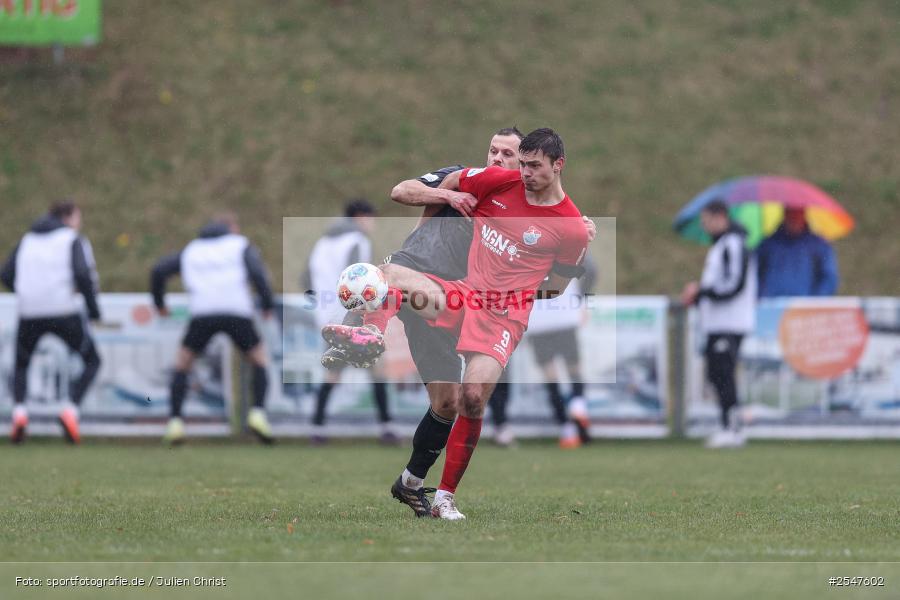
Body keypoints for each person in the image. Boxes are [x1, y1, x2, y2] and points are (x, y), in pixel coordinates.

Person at [326, 128, 591, 519]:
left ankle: (435, 493)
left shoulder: (571, 227)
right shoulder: (490, 181)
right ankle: (367, 333)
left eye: (528, 163)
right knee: (388, 273)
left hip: (500, 316)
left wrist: (517, 295)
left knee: (465, 399)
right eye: (506, 156)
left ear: (558, 165)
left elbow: (557, 286)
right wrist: (447, 196)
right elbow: (414, 188)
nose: (521, 171)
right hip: (456, 295)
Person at [151, 212, 275, 445]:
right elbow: (258, 273)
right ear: (231, 228)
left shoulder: (192, 249)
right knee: (259, 360)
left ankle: (175, 422)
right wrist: (267, 303)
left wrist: (159, 304)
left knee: (182, 364)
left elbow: (158, 270)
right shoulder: (240, 245)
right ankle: (258, 413)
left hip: (203, 313)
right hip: (236, 312)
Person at [0, 201, 102, 444]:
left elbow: (5, 274)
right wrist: (93, 310)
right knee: (92, 360)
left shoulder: (27, 240)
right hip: (63, 310)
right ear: (67, 218)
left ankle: (20, 414)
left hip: (29, 311)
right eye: (77, 217)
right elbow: (83, 273)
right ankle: (70, 411)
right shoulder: (71, 239)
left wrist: (27, 292)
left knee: (22, 363)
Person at [305, 199, 397, 445]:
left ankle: (317, 428)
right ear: (360, 217)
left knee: (333, 371)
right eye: (371, 218)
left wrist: (321, 309)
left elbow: (307, 278)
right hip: (351, 315)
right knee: (377, 368)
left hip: (327, 317)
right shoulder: (357, 241)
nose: (373, 224)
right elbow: (358, 283)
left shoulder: (322, 243)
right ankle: (387, 427)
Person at [680, 200, 756, 449]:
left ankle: (732, 428)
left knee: (724, 374)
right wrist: (699, 294)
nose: (705, 227)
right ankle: (728, 425)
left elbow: (734, 284)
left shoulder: (733, 244)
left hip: (730, 322)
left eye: (707, 221)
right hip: (717, 323)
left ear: (720, 217)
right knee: (716, 375)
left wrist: (702, 292)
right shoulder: (722, 245)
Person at [524, 252, 597, 448]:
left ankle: (566, 428)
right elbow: (590, 270)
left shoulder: (523, 244)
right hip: (563, 314)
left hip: (538, 318)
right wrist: (584, 301)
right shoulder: (566, 242)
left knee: (551, 375)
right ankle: (578, 406)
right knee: (573, 367)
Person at [756, 206, 839, 297]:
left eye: (797, 214)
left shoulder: (819, 246)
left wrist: (815, 300)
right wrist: (761, 296)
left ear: (803, 214)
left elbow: (829, 279)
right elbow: (754, 274)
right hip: (770, 303)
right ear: (784, 214)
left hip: (804, 304)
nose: (793, 218)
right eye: (790, 213)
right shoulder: (768, 245)